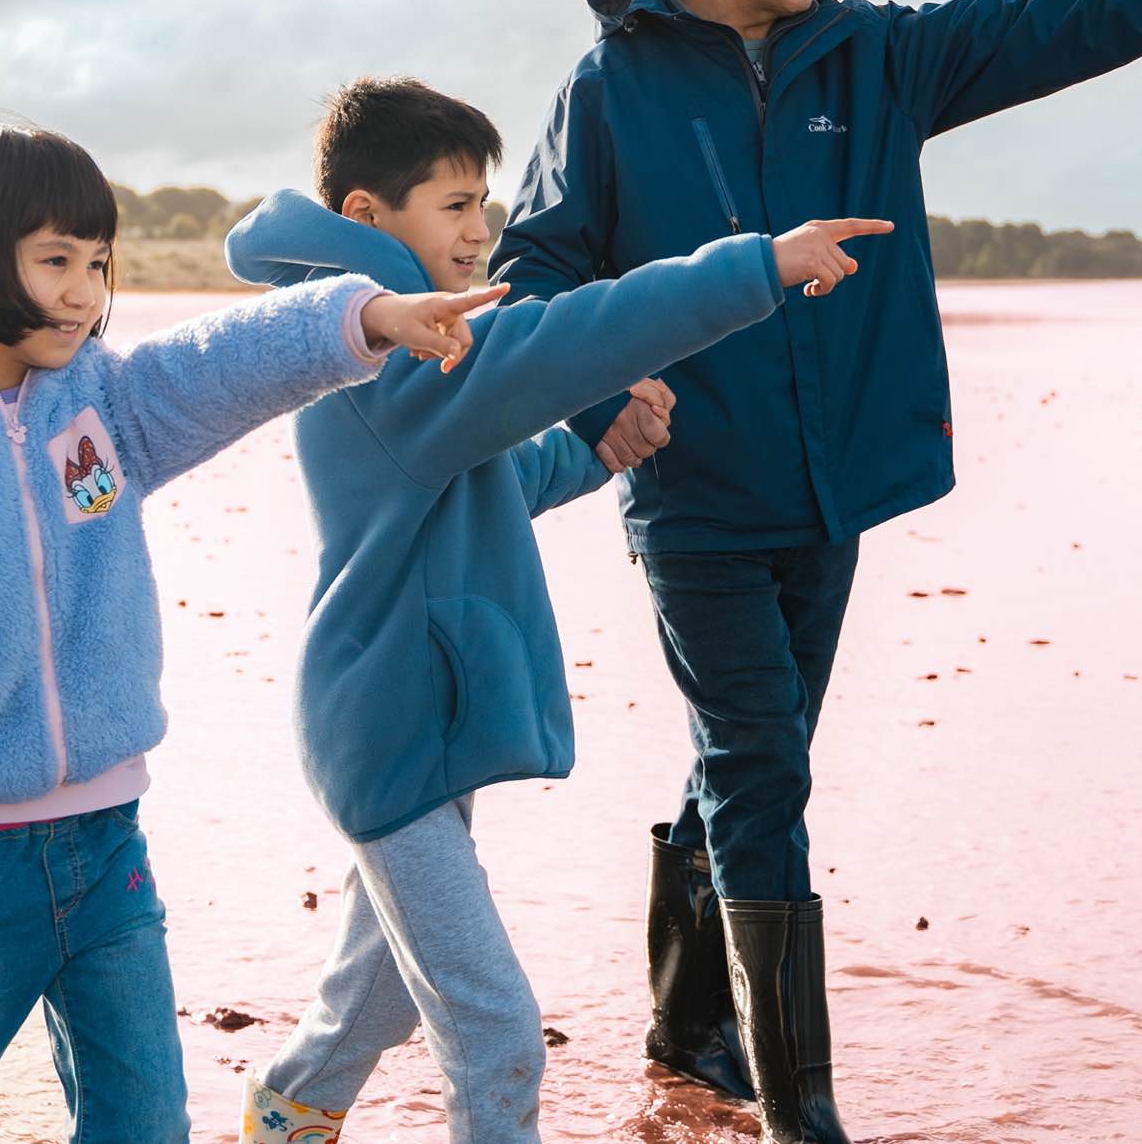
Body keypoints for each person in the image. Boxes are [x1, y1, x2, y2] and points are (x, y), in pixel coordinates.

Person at [493, 0, 1142, 1143]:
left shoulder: (876, 58)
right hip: (697, 493)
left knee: (756, 752)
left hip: (835, 483)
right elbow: (534, 270)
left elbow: (1055, 18)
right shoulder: (610, 88)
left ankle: (683, 1020)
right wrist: (613, 392)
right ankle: (803, 1110)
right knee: (758, 766)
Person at [0, 121, 505, 1143]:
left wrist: (372, 316)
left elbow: (230, 356)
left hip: (105, 851)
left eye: (97, 263)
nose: (84, 291)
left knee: (146, 1122)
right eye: (55, 261)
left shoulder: (106, 403)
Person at [220, 78, 890, 1142]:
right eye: (453, 205)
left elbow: (488, 481)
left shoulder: (403, 367)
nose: (480, 229)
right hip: (387, 738)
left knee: (375, 999)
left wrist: (594, 446)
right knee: (499, 1037)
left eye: (484, 202)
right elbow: (570, 338)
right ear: (365, 217)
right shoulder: (388, 360)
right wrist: (754, 265)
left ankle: (283, 1118)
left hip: (412, 724)